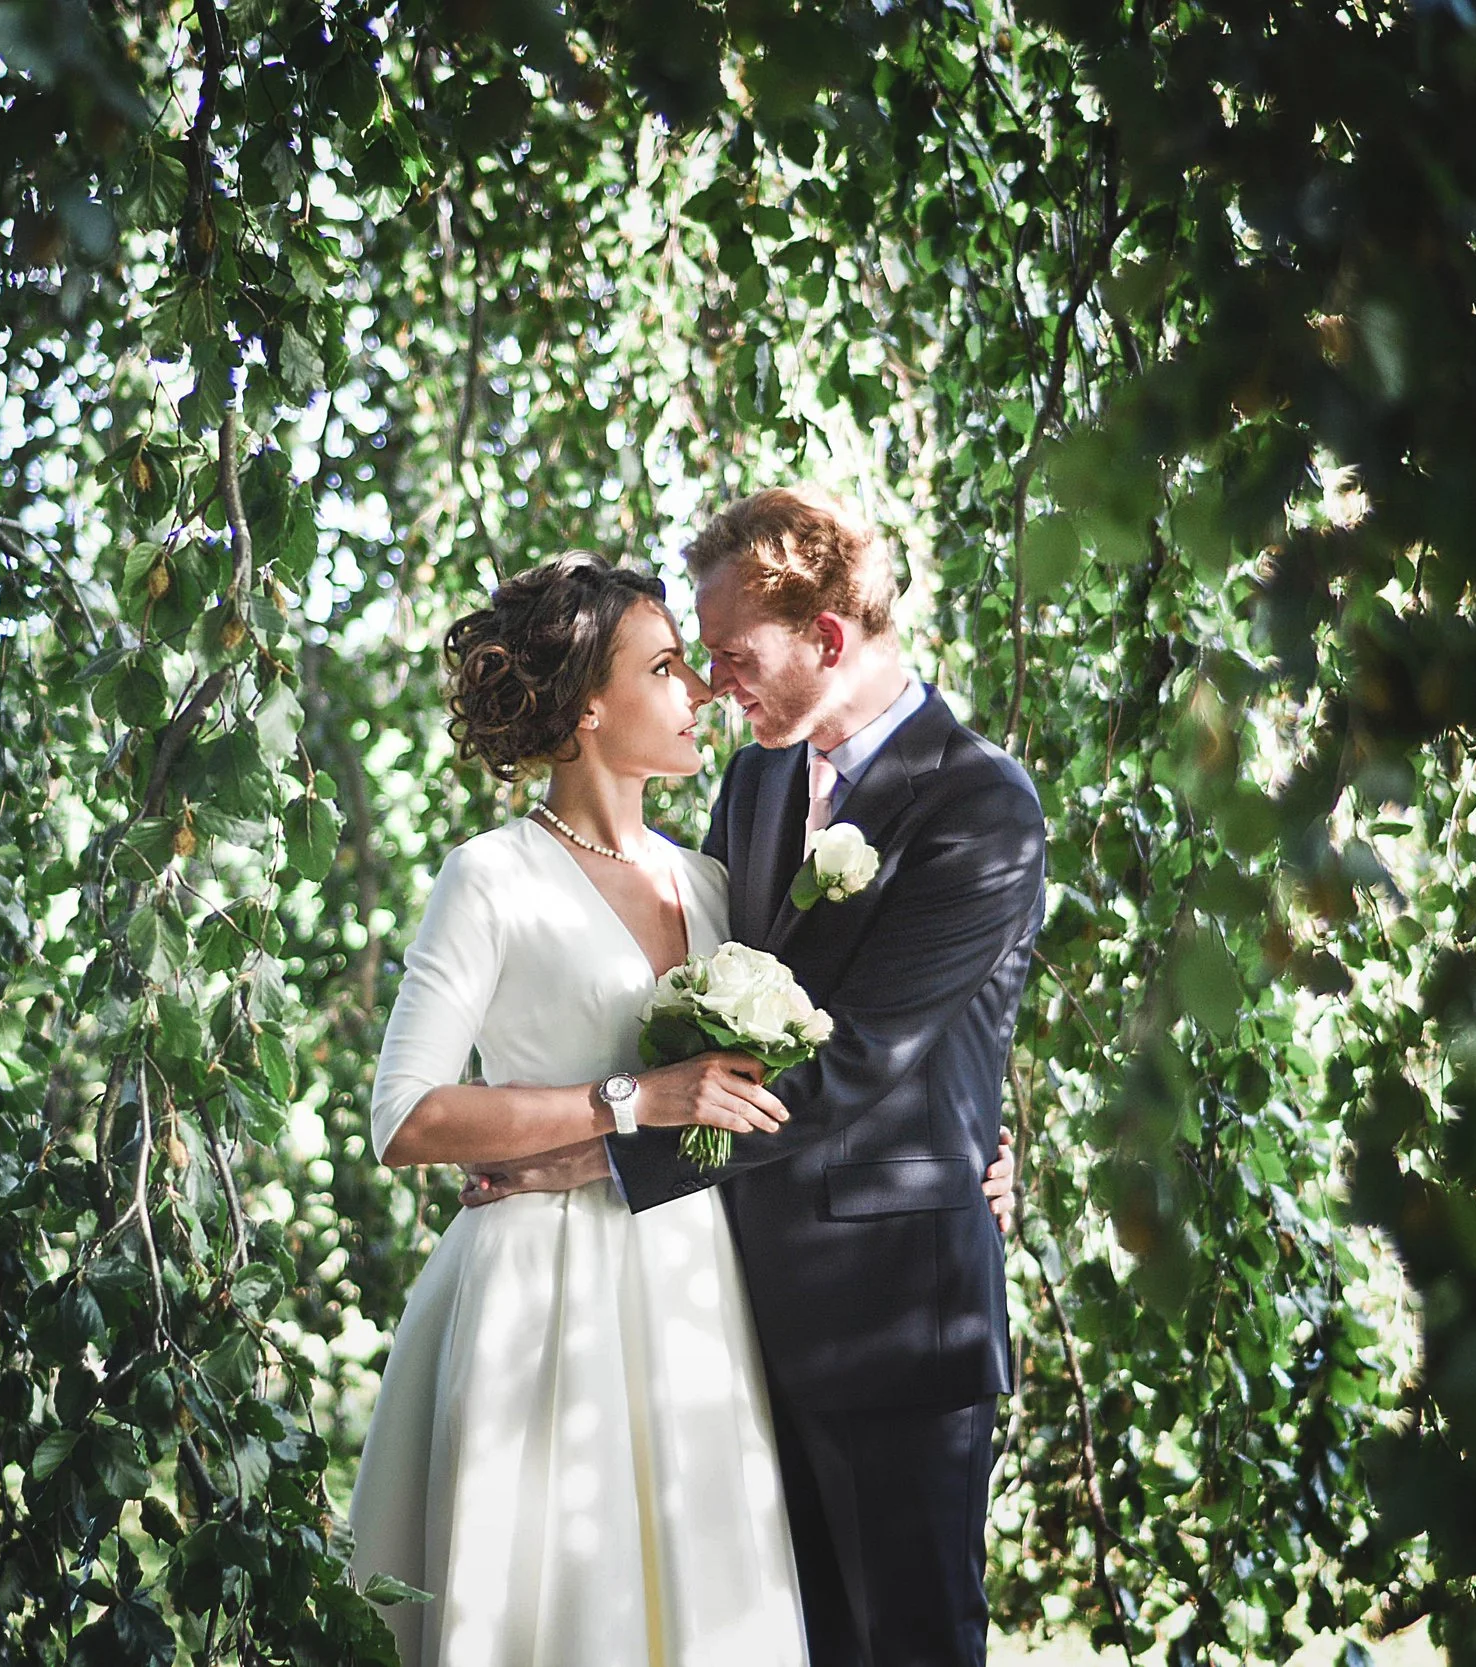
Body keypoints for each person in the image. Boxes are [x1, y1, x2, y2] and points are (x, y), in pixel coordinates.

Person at [466, 488, 1047, 1667]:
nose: (713, 683)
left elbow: (851, 1064)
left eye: (732, 655)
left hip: (898, 1317)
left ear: (828, 638)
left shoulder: (981, 804)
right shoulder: (758, 785)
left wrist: (585, 1158)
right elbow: (695, 1018)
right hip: (736, 1312)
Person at [346, 553, 810, 1667]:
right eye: (663, 667)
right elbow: (403, 1115)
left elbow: (793, 1087)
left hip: (694, 1289)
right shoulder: (490, 876)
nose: (698, 690)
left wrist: (972, 1146)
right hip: (537, 1294)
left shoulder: (710, 884)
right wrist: (624, 1100)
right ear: (587, 707)